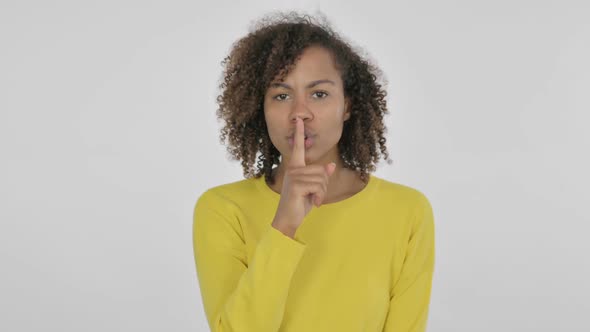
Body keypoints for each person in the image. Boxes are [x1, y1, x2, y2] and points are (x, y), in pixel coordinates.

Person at [192, 11, 436, 332]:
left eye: (319, 94)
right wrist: (284, 225)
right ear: (259, 108)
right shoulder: (222, 210)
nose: (299, 113)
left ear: (347, 105)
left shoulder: (407, 212)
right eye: (281, 95)